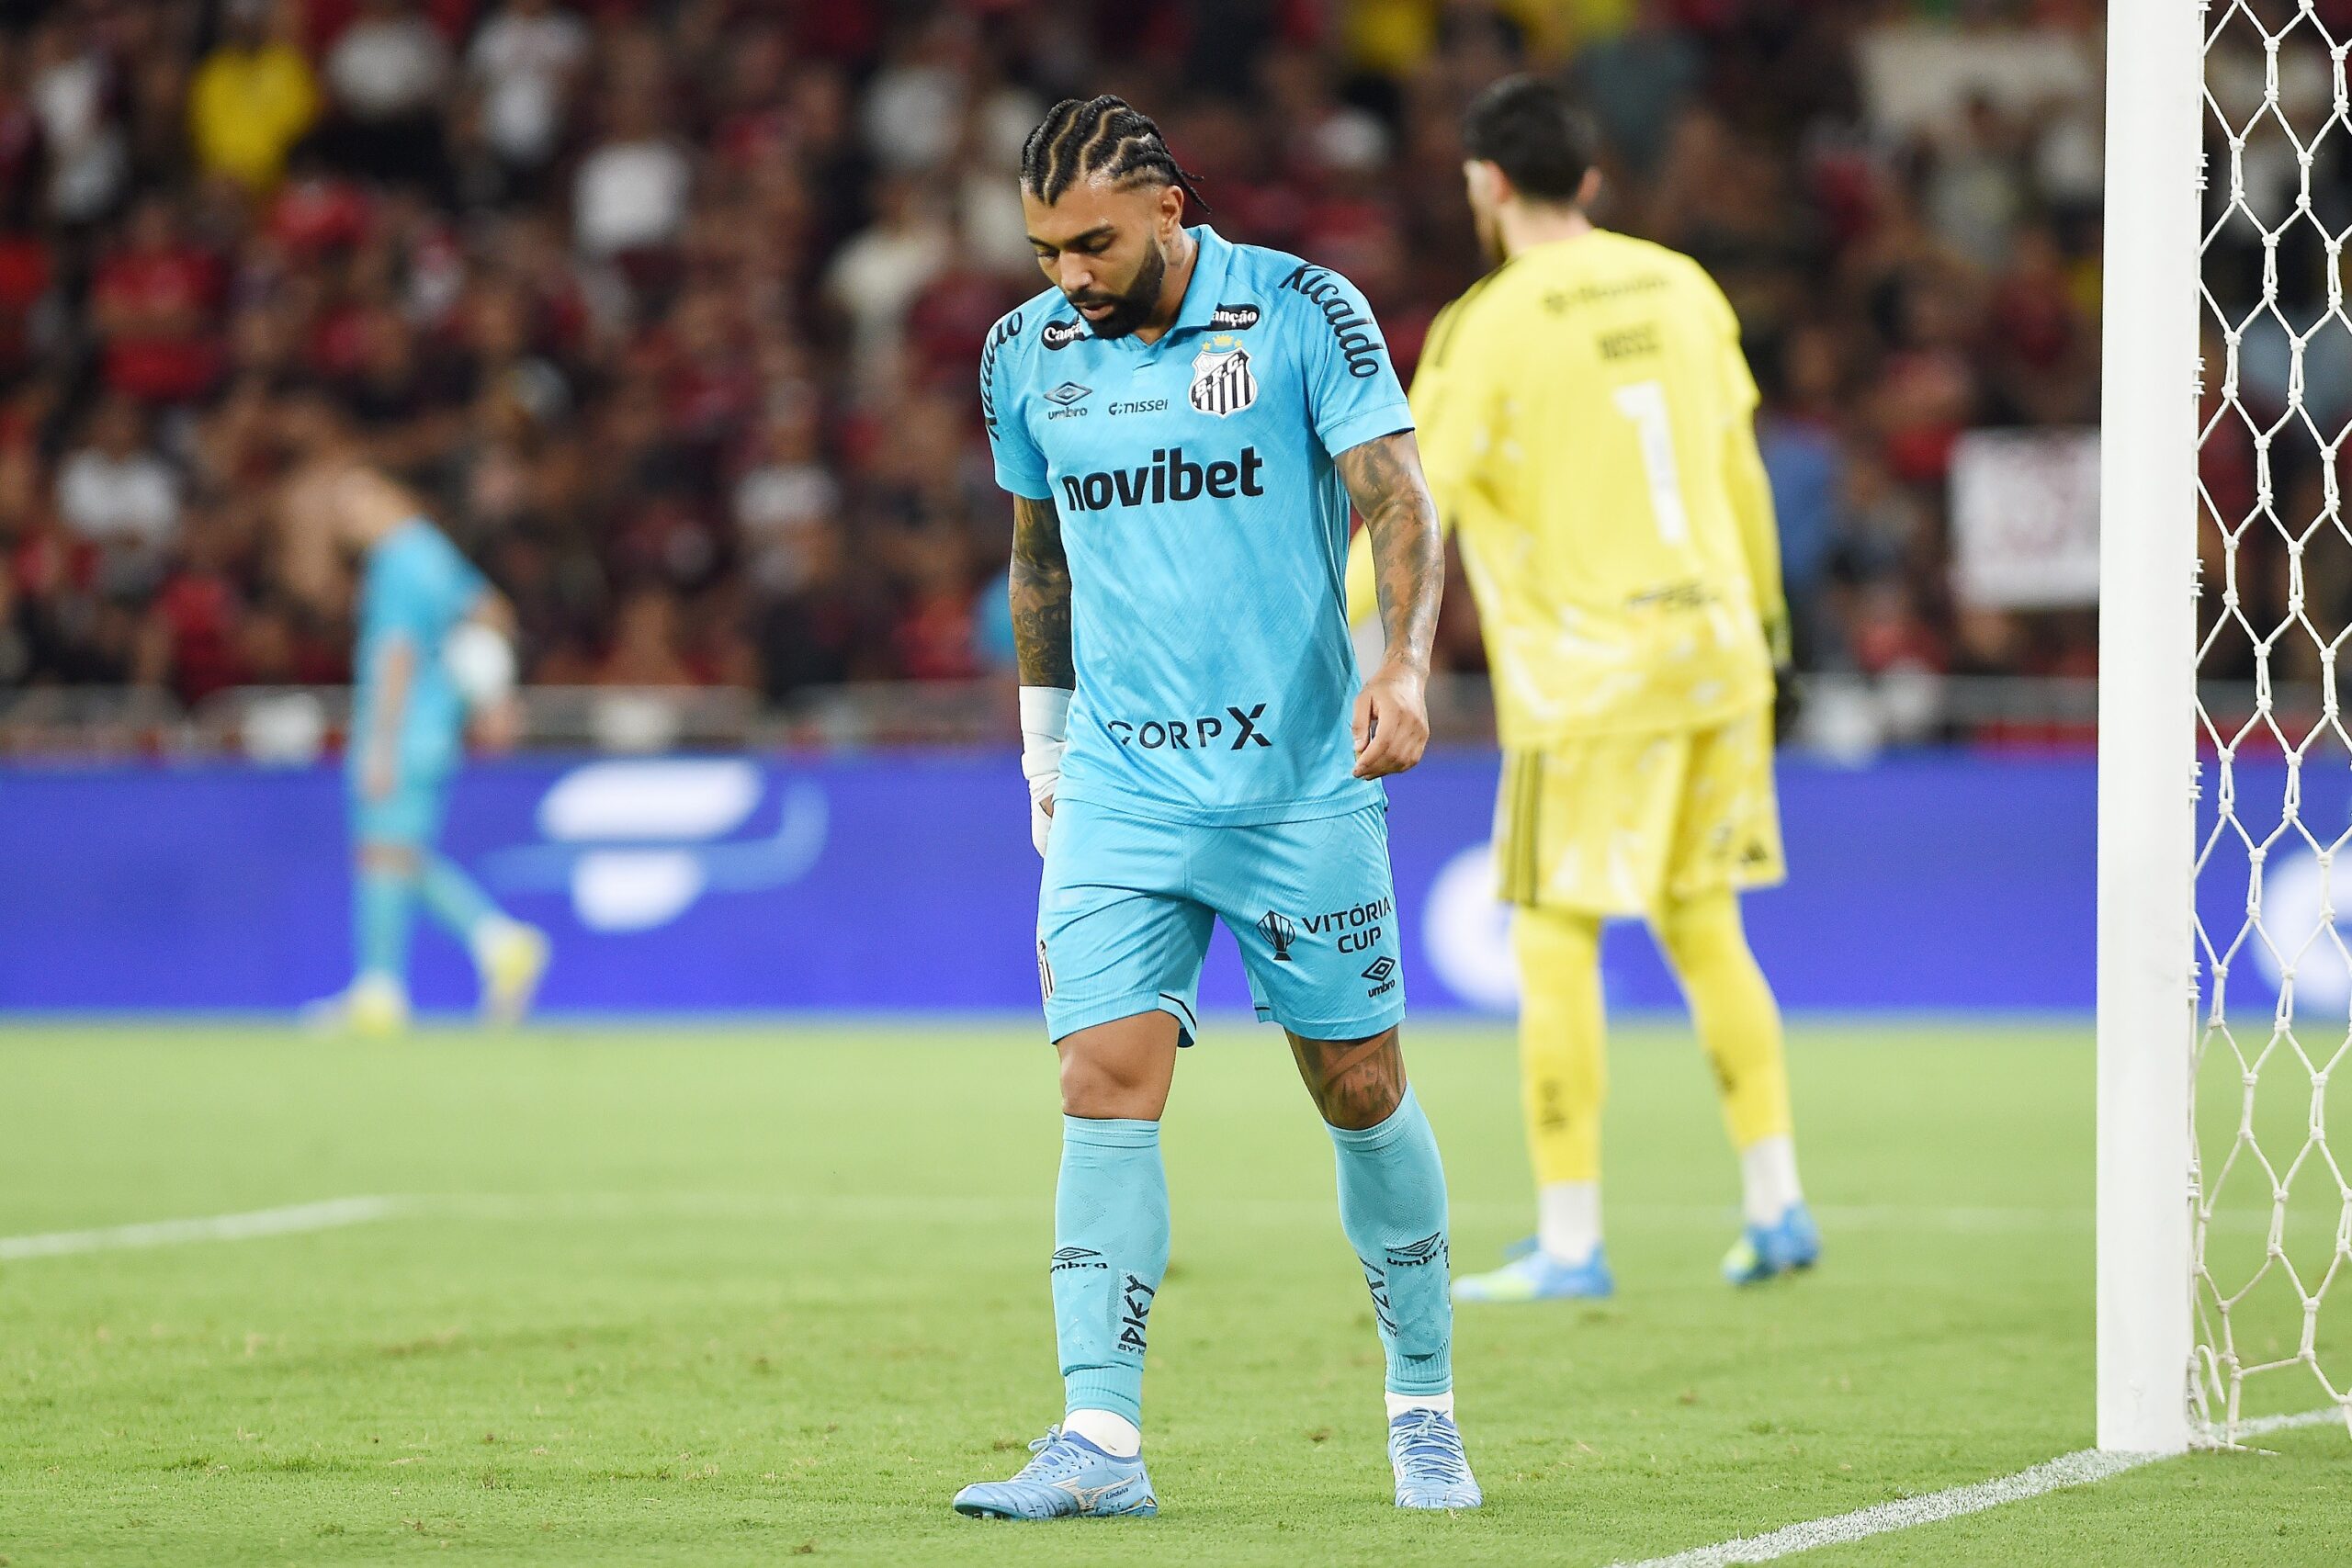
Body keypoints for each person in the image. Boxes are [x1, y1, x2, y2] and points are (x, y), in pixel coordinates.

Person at [953, 96, 1476, 1520]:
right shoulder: (1025, 355)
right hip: (1123, 782)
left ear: (1172, 207)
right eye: (1046, 248)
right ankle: (1098, 1439)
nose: (1069, 273)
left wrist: (1409, 669)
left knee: (1358, 1086)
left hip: (1298, 778)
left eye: (1094, 243)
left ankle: (1422, 1402)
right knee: (1101, 1082)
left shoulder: (1305, 311)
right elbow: (1038, 557)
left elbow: (1401, 500)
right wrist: (1045, 750)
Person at [1347, 76, 1815, 1302]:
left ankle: (1568, 1237)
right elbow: (1742, 476)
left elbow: (1412, 505)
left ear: (1488, 183)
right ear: (1591, 181)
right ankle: (1776, 1201)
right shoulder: (1682, 287)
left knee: (1554, 935)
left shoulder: (1489, 325)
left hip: (1593, 676)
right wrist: (1766, 630)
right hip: (1717, 650)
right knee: (1705, 922)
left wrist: (1318, 618)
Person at [282, 403, 549, 1035]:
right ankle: (490, 949)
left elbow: (397, 655)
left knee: (384, 852)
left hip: (400, 726)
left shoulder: (397, 563)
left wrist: (378, 742)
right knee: (397, 854)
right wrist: (489, 693)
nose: (346, 523)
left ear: (384, 495)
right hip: (436, 727)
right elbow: (493, 610)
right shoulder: (433, 551)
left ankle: (389, 987)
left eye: (352, 506)